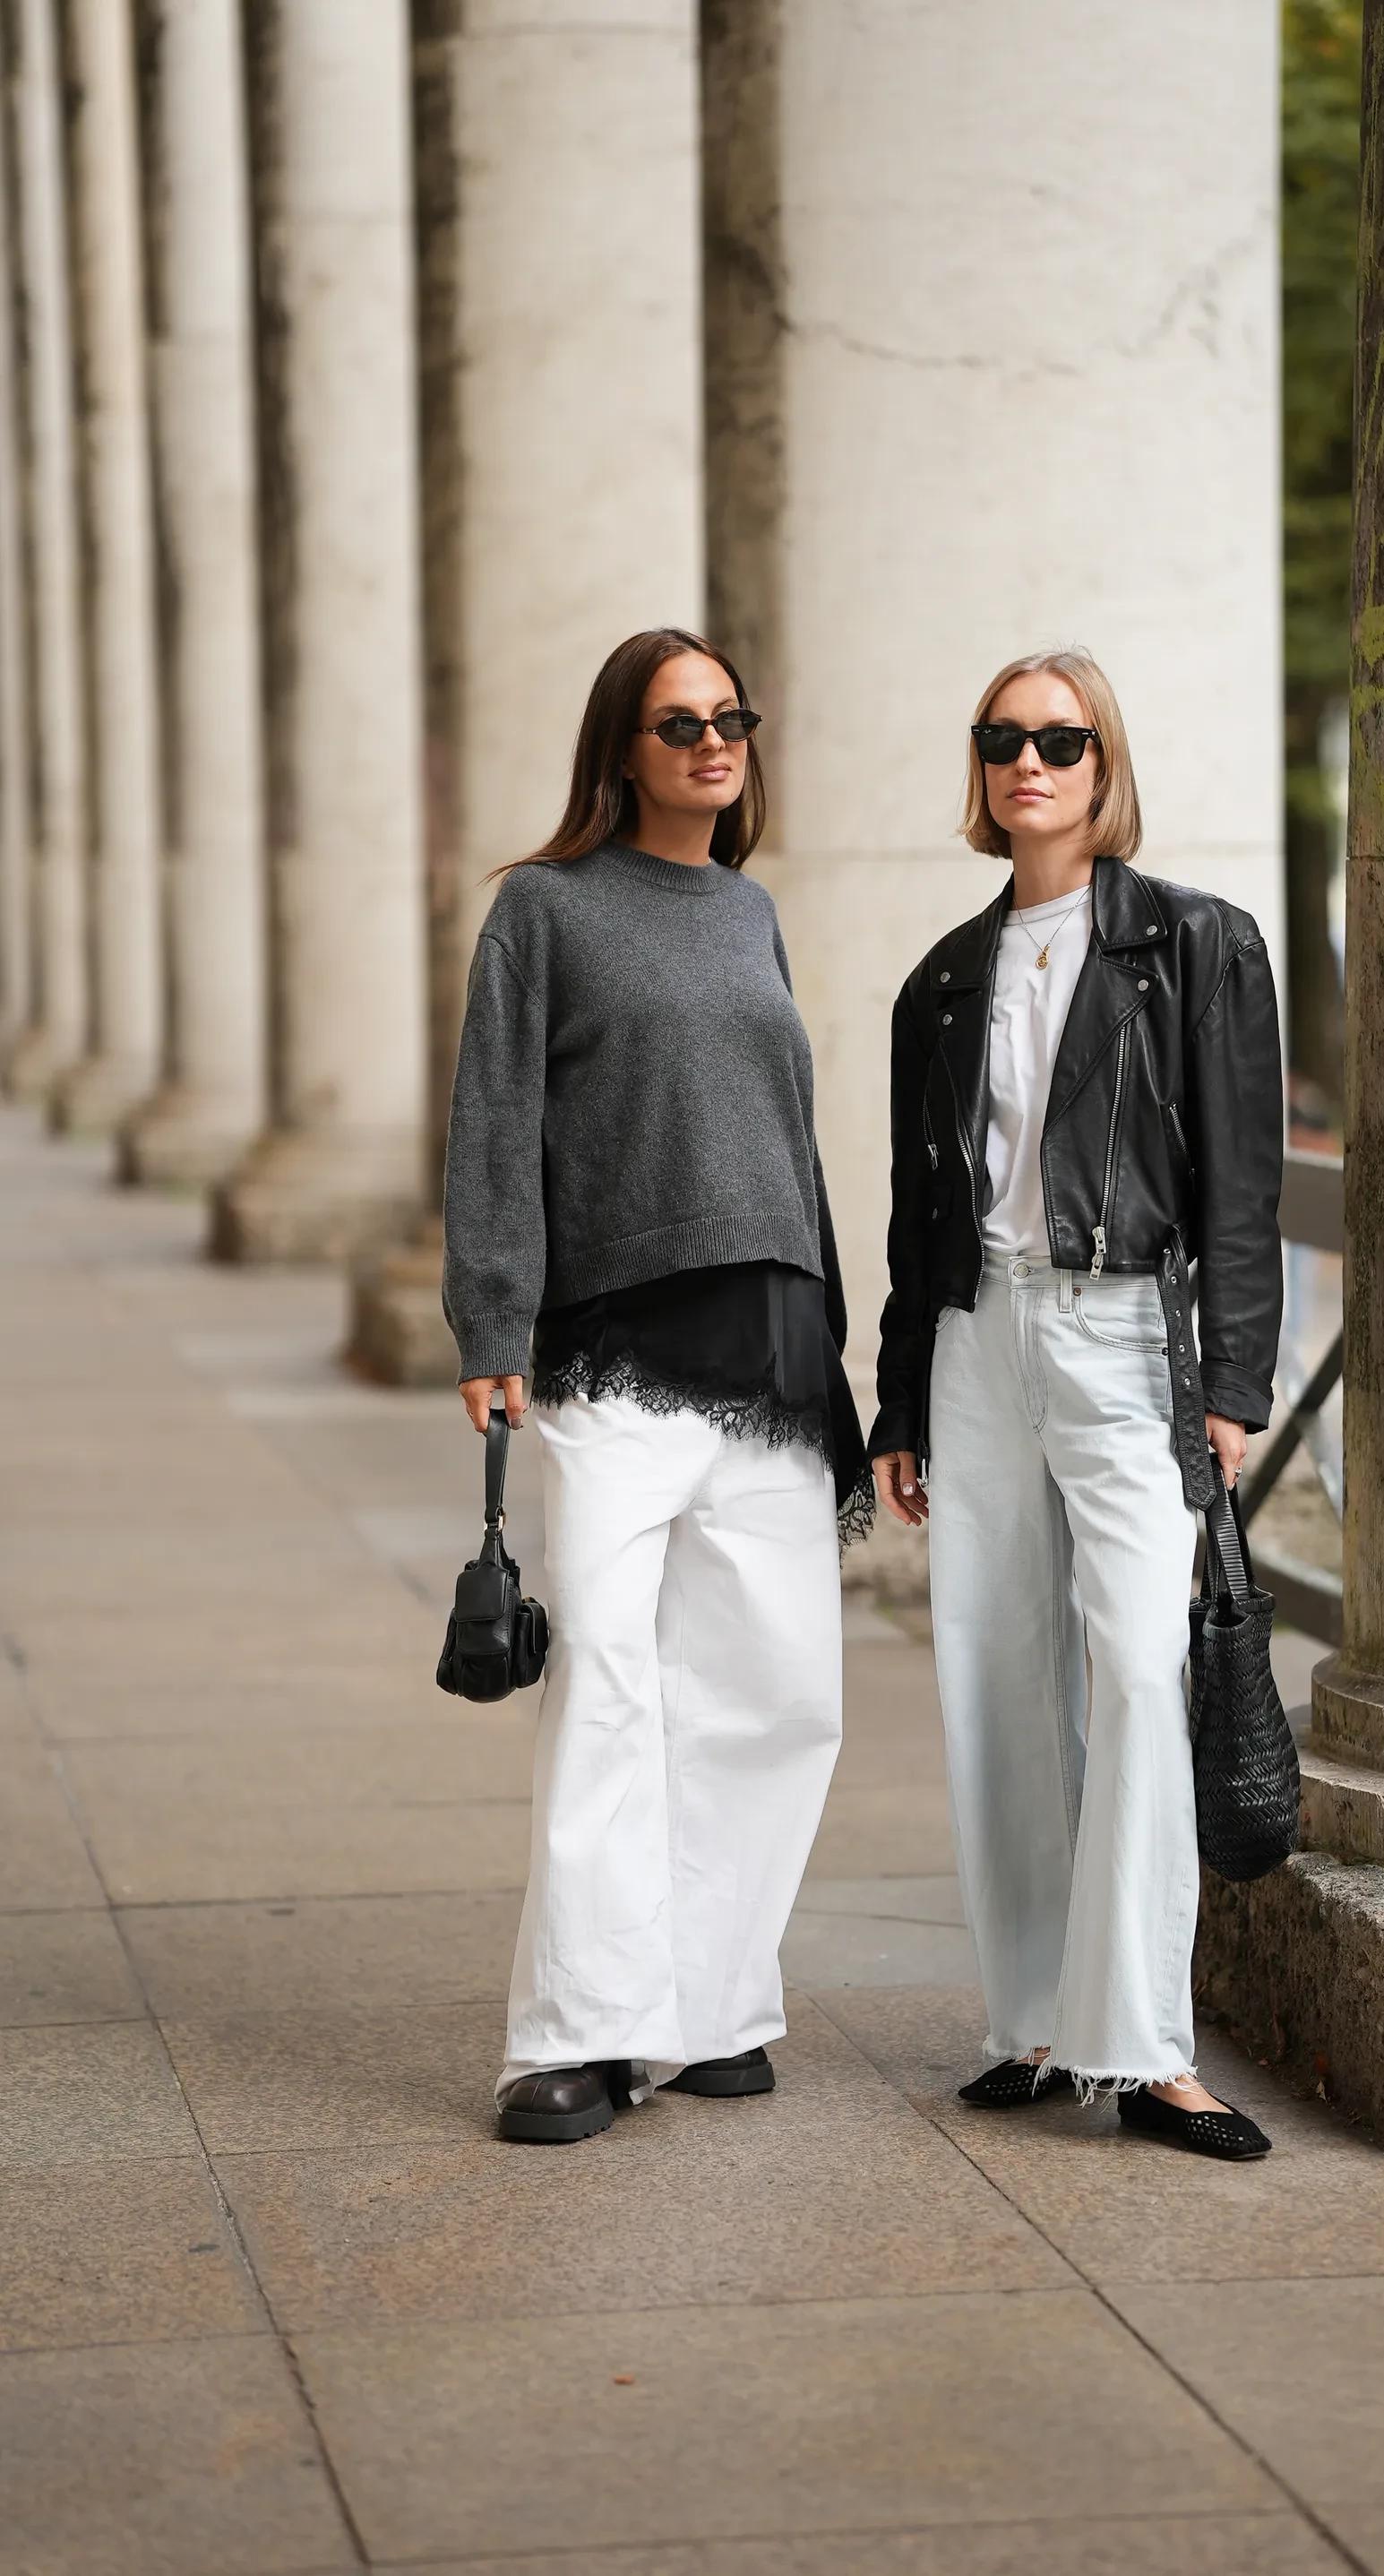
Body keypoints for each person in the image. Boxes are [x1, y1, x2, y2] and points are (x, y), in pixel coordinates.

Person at [444, 626, 869, 2146]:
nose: (712, 741)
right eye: (678, 721)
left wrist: (840, 1359)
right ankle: (578, 2033)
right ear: (620, 749)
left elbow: (787, 1142)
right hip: (613, 1351)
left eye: (730, 716)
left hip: (769, 1351)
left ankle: (713, 2004)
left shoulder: (751, 912)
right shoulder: (546, 908)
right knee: (611, 1683)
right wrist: (490, 1321)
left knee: (777, 1692)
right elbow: (493, 1117)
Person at [869, 648, 1283, 2160]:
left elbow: (1241, 1183)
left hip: (1122, 1335)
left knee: (1137, 1665)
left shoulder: (1196, 943)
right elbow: (919, 1208)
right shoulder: (942, 977)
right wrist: (899, 1399)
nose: (1027, 765)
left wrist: (1234, 1378)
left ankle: (1150, 2046)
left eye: (1058, 740)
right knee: (996, 1671)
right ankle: (1039, 2022)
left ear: (1105, 762)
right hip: (978, 1335)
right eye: (1002, 740)